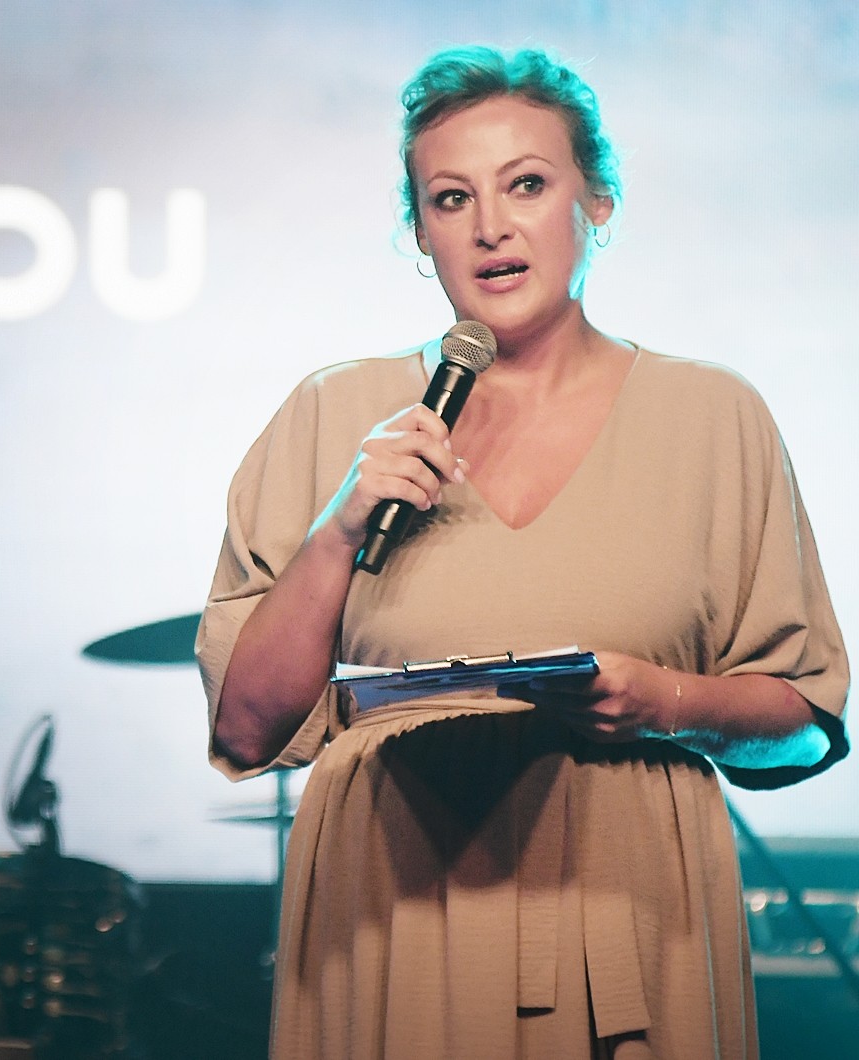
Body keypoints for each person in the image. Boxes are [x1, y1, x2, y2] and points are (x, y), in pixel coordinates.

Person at [195, 45, 849, 1060]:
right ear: (421, 234)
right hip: (395, 912)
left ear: (597, 201)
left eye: (527, 185)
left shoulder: (713, 415)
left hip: (628, 902)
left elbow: (802, 729)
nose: (490, 227)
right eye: (450, 198)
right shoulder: (334, 411)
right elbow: (245, 730)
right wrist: (339, 527)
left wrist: (665, 702)